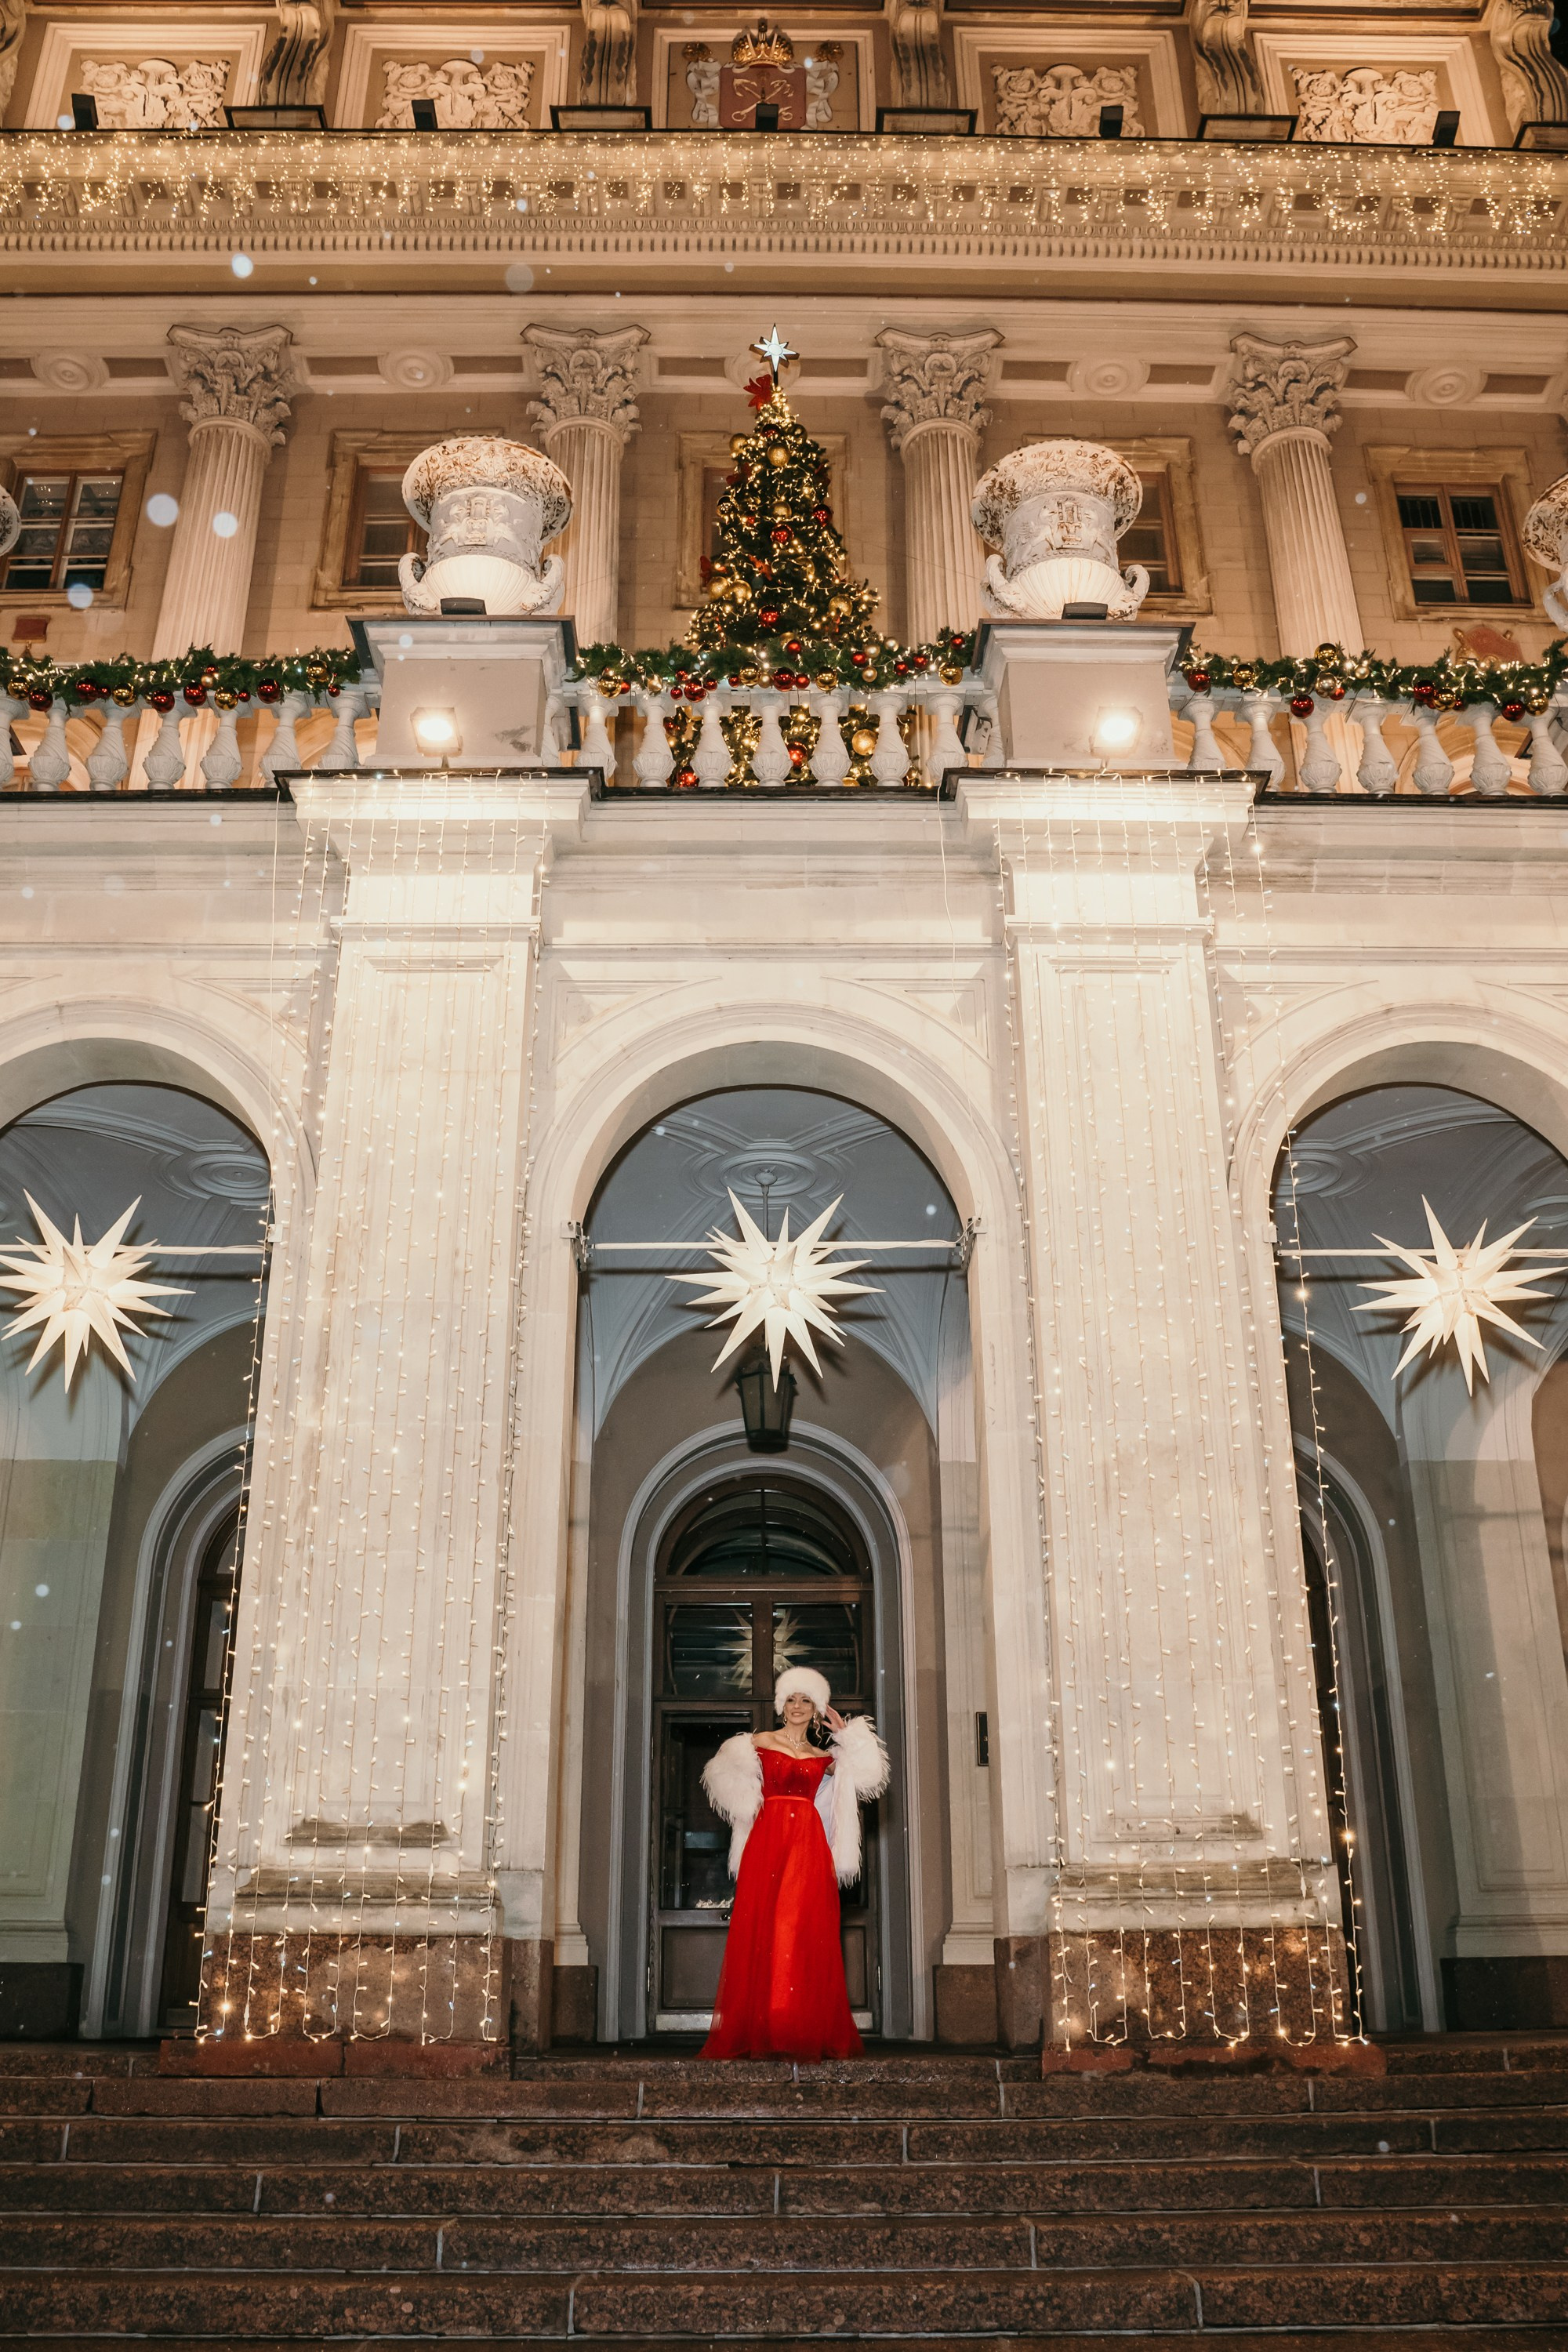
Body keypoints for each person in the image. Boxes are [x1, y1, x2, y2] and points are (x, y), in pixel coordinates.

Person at [699, 1664, 890, 2061]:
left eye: (806, 1700)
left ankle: (795, 2025)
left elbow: (869, 1777)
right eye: (791, 1699)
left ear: (816, 1708)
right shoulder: (759, 1742)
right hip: (768, 1841)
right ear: (781, 1705)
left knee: (799, 1929)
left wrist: (847, 1735)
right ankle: (765, 2025)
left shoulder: (824, 1756)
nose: (797, 1706)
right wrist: (748, 1804)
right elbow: (720, 1775)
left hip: (807, 1845)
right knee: (767, 1927)